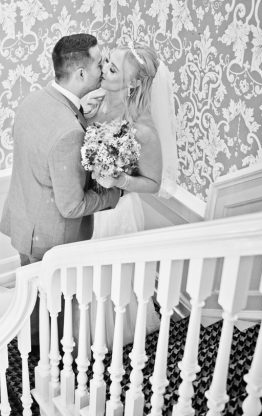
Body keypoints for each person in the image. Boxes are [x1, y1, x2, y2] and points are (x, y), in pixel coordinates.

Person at [0, 34, 123, 353]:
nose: (104, 68)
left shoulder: (34, 100)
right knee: (51, 311)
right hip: (49, 239)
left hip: (24, 219)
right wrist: (113, 197)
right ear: (80, 74)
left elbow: (45, 153)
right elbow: (72, 205)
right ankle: (44, 358)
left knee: (33, 301)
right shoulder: (68, 133)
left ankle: (32, 342)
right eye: (99, 63)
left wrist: (83, 117)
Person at [81, 41, 179, 344]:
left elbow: (152, 183)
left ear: (134, 82)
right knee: (86, 282)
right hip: (87, 207)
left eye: (112, 68)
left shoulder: (142, 128)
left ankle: (113, 335)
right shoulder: (91, 103)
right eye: (106, 62)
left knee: (112, 283)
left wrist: (120, 180)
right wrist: (82, 115)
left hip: (118, 214)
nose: (103, 70)